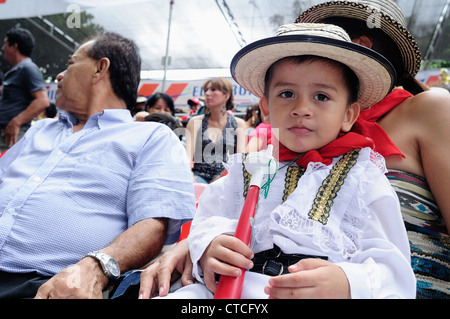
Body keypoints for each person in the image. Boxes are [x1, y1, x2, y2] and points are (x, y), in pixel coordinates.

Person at [152, 23, 415, 299]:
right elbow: (209, 218)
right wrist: (209, 245)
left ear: (349, 115)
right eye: (286, 94)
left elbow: (392, 267)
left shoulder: (363, 179)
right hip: (233, 291)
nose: (301, 109)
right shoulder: (246, 168)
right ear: (265, 108)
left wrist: (349, 283)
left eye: (321, 96)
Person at [0, 32, 195, 299]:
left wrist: (94, 269)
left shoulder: (151, 137)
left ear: (100, 69)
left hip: (47, 285)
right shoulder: (40, 130)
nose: (58, 76)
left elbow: (153, 225)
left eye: (70, 64)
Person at [296, 0, 450, 299]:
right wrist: (203, 241)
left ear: (360, 46)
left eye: (318, 45)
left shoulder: (430, 109)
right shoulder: (305, 128)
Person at [185, 77, 246, 184]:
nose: (207, 93)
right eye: (206, 90)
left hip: (227, 178)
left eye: (213, 90)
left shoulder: (239, 124)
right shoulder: (195, 122)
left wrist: (220, 178)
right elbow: (187, 156)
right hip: (199, 177)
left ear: (226, 95)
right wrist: (188, 175)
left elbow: (239, 159)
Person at [0, 27, 49, 152]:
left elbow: (42, 101)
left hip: (11, 136)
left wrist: (16, 122)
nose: (3, 48)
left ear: (14, 46)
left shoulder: (28, 68)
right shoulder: (17, 70)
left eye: (5, 43)